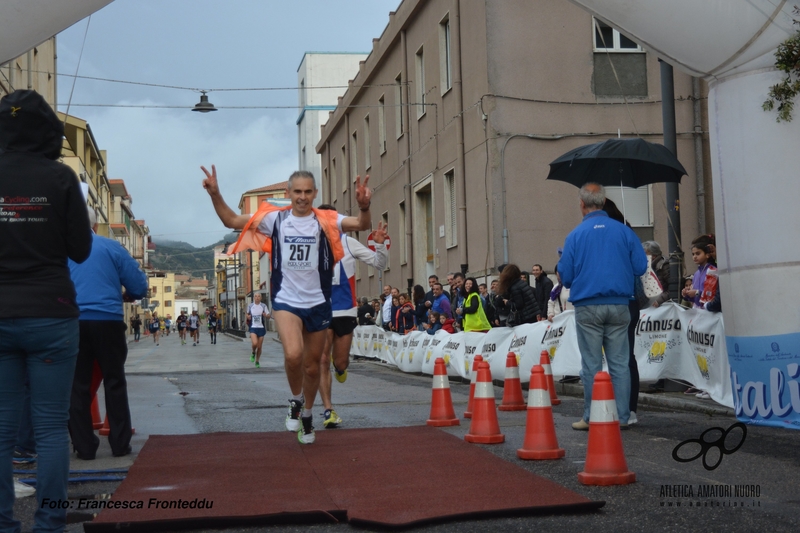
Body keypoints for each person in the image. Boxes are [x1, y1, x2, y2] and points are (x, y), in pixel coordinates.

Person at [202, 165, 372, 445]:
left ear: (315, 193)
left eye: (308, 192)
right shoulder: (275, 220)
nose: (303, 197)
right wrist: (215, 193)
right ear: (288, 193)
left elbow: (362, 225)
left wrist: (364, 206)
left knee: (312, 366)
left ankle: (307, 416)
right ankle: (295, 400)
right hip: (285, 300)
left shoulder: (326, 220)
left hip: (318, 301)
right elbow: (231, 220)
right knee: (293, 354)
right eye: (297, 192)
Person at [0, 89, 93, 531]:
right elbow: (80, 249)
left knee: (1, 432)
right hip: (52, 312)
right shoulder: (60, 178)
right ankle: (50, 525)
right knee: (52, 428)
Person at [558, 183, 647, 430]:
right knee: (620, 363)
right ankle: (622, 416)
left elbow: (565, 277)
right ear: (604, 201)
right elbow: (640, 267)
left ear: (582, 205)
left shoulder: (574, 235)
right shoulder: (625, 232)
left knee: (591, 364)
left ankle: (592, 415)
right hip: (620, 303)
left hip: (588, 305)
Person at [68, 207, 148, 460]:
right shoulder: (112, 248)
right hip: (109, 322)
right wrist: (129, 295)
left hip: (73, 323)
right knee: (115, 382)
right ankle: (119, 443)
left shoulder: (60, 250)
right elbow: (138, 285)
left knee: (77, 386)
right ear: (95, 227)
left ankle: (84, 447)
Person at [316, 205, 388, 428]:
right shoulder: (311, 245)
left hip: (345, 310)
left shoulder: (348, 242)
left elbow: (379, 263)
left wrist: (379, 244)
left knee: (340, 362)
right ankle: (328, 409)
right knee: (321, 360)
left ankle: (340, 368)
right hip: (321, 310)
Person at [246, 293, 270, 367]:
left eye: (259, 296)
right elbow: (247, 314)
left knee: (259, 347)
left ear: (261, 298)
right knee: (255, 343)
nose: (257, 298)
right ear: (253, 298)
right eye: (256, 296)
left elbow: (269, 315)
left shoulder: (263, 306)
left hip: (261, 328)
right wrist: (248, 316)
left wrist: (266, 315)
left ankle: (257, 361)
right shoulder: (250, 306)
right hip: (253, 327)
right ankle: (253, 352)